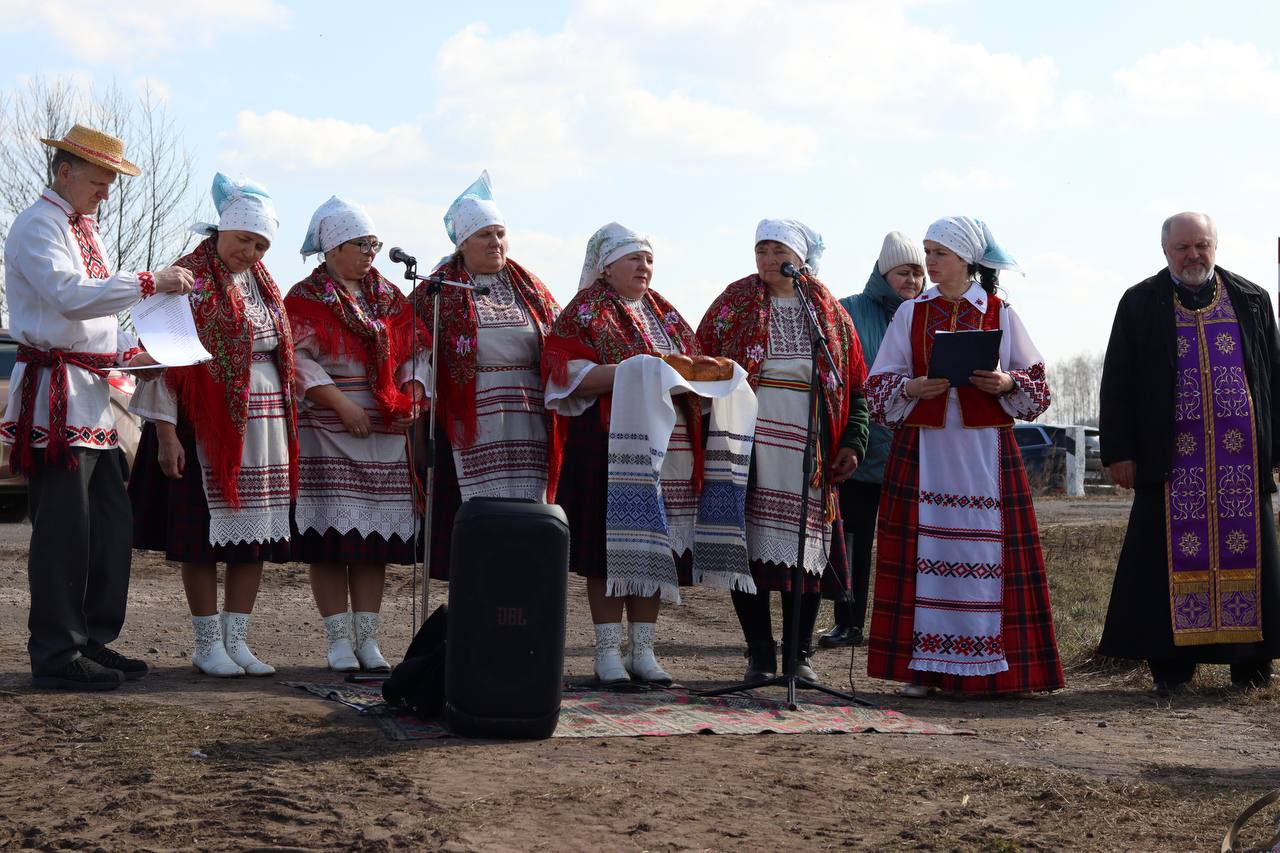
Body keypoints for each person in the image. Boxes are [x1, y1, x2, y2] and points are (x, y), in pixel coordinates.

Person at [1, 123, 193, 690]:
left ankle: (90, 636)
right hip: (56, 399)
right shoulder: (38, 225)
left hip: (90, 395)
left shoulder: (84, 228)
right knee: (64, 528)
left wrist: (136, 353)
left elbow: (97, 316)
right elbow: (68, 297)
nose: (106, 193)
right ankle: (57, 652)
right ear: (64, 172)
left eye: (110, 183)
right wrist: (149, 282)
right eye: (99, 181)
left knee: (108, 523)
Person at [865, 216, 1063, 698]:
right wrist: (911, 387)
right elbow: (878, 385)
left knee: (984, 550)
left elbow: (1037, 385)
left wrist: (1007, 382)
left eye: (940, 254)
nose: (930, 262)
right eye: (928, 252)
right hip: (924, 448)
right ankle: (923, 669)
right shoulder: (911, 313)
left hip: (985, 452)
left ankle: (992, 670)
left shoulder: (999, 311)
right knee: (922, 551)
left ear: (966, 260)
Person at [1098, 212, 1280, 695]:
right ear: (1166, 251)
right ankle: (1171, 668)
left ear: (1215, 246)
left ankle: (1251, 664)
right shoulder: (1139, 302)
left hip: (1242, 467)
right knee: (1162, 564)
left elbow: (1273, 377)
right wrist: (1119, 450)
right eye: (1183, 248)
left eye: (1202, 245)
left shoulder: (1252, 299)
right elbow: (1117, 381)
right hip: (1170, 464)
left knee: (1253, 558)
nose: (1193, 255)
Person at [129, 173, 295, 678]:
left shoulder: (263, 285)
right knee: (201, 538)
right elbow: (164, 361)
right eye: (243, 239)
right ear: (220, 231)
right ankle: (207, 643)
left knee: (253, 537)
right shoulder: (186, 279)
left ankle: (236, 640)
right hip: (201, 425)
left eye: (261, 245)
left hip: (261, 428)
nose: (251, 252)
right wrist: (166, 434)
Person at [697, 219, 869, 682]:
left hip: (809, 448)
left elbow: (855, 386)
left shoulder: (828, 311)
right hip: (744, 442)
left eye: (778, 251)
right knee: (747, 548)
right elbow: (698, 363)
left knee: (806, 550)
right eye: (762, 250)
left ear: (800, 259)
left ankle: (799, 654)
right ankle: (759, 653)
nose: (768, 260)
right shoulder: (733, 302)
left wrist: (853, 442)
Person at [543, 223, 705, 685]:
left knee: (653, 545)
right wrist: (637, 371)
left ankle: (644, 651)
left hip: (664, 446)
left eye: (649, 259)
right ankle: (607, 652)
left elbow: (690, 367)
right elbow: (567, 377)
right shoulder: (586, 312)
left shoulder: (665, 315)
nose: (644, 267)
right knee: (609, 549)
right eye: (634, 258)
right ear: (606, 266)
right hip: (608, 443)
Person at [286, 198, 426, 672]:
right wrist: (339, 403)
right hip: (328, 429)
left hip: (384, 431)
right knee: (331, 538)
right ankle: (337, 642)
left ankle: (368, 640)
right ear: (332, 249)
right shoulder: (305, 298)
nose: (370, 253)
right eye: (361, 245)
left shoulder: (389, 297)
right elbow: (296, 359)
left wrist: (411, 396)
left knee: (372, 544)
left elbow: (416, 352)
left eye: (374, 244)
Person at [410, 172, 560, 581]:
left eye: (501, 234)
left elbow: (560, 341)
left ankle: (521, 595)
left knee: (525, 512)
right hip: (469, 422)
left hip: (527, 420)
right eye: (485, 235)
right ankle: (476, 599)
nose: (496, 242)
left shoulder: (531, 288)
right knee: (477, 517)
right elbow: (413, 349)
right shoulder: (439, 289)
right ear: (462, 243)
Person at [820, 232, 926, 649]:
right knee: (852, 541)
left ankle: (904, 626)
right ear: (884, 275)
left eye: (917, 272)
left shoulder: (929, 313)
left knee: (910, 544)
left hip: (914, 447)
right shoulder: (848, 311)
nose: (912, 280)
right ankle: (847, 621)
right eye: (903, 272)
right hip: (862, 447)